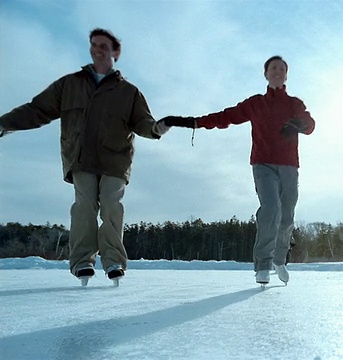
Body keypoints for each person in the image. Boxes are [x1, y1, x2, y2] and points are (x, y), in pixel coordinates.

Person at [0, 28, 170, 285]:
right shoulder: (70, 84)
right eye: (93, 45)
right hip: (80, 157)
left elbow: (143, 122)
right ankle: (82, 263)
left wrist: (156, 129)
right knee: (84, 207)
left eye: (103, 45)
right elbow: (37, 109)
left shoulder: (129, 92)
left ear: (115, 52)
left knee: (112, 204)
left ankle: (113, 261)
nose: (97, 49)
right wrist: (5, 123)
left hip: (115, 159)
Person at [159, 55, 315, 286]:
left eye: (282, 69)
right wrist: (189, 122)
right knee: (271, 208)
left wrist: (299, 125)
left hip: (289, 166)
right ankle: (263, 265)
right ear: (266, 73)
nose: (277, 72)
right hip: (263, 164)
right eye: (273, 68)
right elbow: (225, 117)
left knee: (286, 216)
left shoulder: (294, 104)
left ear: (286, 75)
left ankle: (280, 259)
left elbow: (310, 125)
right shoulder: (255, 104)